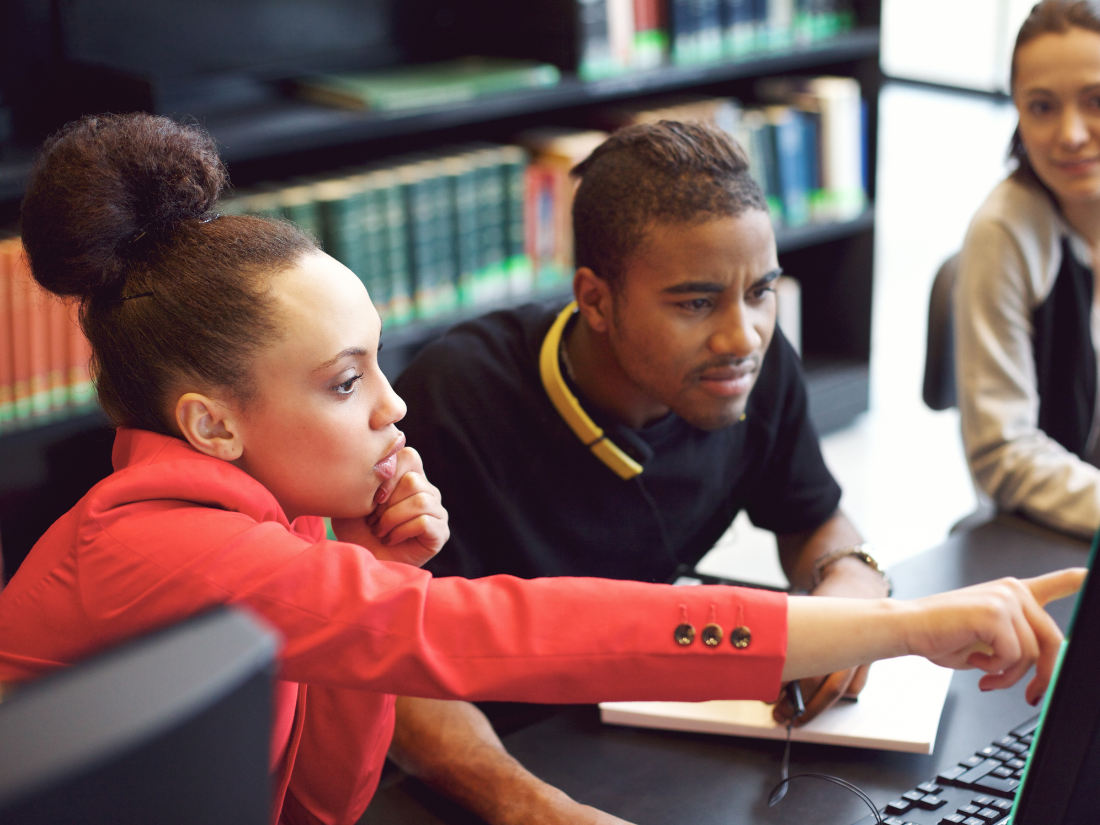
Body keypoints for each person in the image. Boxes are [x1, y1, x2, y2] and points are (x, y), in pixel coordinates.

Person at [0, 113, 1081, 825]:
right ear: (213, 423)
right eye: (344, 382)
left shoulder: (269, 529)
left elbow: (317, 804)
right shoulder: (161, 545)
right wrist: (902, 626)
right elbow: (512, 630)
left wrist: (378, 569)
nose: (394, 404)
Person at [386, 122, 960, 822]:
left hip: (645, 722)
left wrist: (854, 579)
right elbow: (395, 671)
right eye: (696, 302)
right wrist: (532, 808)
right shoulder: (456, 398)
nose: (742, 335)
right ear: (594, 299)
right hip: (497, 750)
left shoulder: (751, 367)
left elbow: (811, 515)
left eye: (761, 291)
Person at [957, 0, 1100, 539]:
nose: (1071, 134)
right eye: (1042, 107)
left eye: (1097, 101)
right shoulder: (1004, 233)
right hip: (1049, 533)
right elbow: (1003, 452)